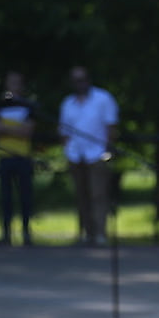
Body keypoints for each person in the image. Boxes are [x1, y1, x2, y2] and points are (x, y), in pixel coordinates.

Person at [59, 66, 119, 247]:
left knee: (98, 195)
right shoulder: (68, 103)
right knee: (81, 196)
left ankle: (100, 233)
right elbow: (63, 131)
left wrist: (107, 150)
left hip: (97, 154)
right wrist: (68, 150)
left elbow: (111, 127)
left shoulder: (103, 99)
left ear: (88, 80)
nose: (80, 83)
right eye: (76, 80)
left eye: (83, 79)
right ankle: (86, 233)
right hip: (75, 155)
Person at [0, 71, 38, 247]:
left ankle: (26, 233)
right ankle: (6, 234)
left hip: (23, 156)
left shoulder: (28, 106)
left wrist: (7, 128)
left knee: (25, 197)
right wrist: (17, 129)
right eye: (11, 82)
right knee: (5, 198)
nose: (14, 85)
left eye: (17, 82)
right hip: (5, 156)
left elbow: (27, 132)